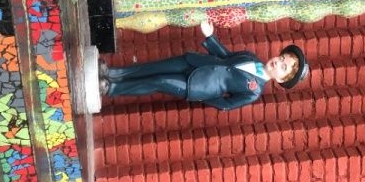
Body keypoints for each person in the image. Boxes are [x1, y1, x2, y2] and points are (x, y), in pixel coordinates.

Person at [98, 20, 309, 110]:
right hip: (196, 62)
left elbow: (226, 105)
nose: (278, 62)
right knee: (154, 67)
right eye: (282, 58)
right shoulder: (250, 57)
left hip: (197, 86)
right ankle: (114, 73)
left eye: (283, 68)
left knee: (160, 81)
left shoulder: (253, 92)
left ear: (281, 79)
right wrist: (210, 37)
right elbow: (225, 56)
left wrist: (205, 95)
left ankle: (113, 88)